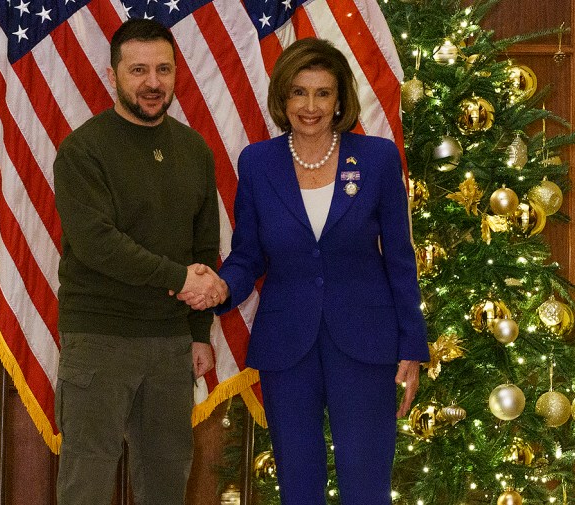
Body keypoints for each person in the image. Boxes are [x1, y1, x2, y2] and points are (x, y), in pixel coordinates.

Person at [179, 38, 429, 504]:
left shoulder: (375, 158)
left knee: (366, 483)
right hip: (286, 344)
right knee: (298, 484)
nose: (310, 106)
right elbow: (249, 255)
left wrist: (412, 345)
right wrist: (219, 288)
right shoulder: (258, 162)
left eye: (322, 93)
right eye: (299, 92)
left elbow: (399, 256)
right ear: (283, 98)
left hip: (365, 341)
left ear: (339, 101)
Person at [52, 18, 225, 505]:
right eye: (139, 70)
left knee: (168, 481)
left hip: (171, 344)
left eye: (163, 69)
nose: (152, 82)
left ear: (175, 74)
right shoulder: (82, 151)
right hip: (99, 338)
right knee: (86, 483)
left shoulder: (194, 149)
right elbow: (97, 243)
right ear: (113, 77)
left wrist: (198, 332)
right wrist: (178, 279)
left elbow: (203, 248)